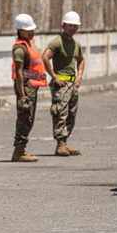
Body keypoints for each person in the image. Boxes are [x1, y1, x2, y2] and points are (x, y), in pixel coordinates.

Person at [43, 11, 85, 156]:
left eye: (75, 26)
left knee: (71, 114)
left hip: (72, 85)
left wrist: (79, 76)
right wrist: (54, 77)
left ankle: (65, 143)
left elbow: (81, 60)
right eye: (70, 25)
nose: (72, 28)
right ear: (63, 26)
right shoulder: (57, 42)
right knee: (60, 113)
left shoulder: (76, 44)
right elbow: (45, 57)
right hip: (61, 85)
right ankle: (60, 144)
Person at [11, 13, 48, 162]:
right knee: (24, 118)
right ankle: (19, 151)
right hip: (25, 87)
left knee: (29, 118)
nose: (31, 32)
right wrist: (23, 95)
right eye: (28, 30)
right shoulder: (20, 48)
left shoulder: (30, 43)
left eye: (32, 29)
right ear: (20, 30)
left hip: (32, 86)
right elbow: (19, 73)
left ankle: (21, 149)